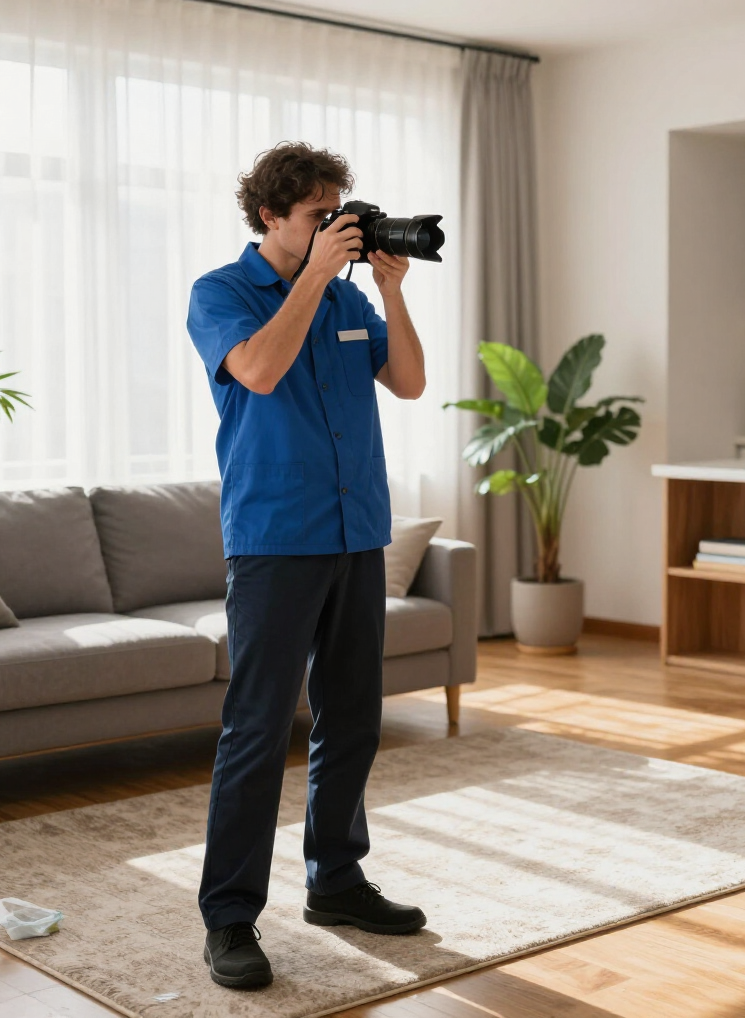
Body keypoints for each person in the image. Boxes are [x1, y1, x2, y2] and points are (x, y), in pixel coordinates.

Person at [186, 141, 427, 991]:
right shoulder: (221, 293)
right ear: (269, 217)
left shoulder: (350, 297)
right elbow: (255, 368)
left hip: (357, 530)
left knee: (354, 716)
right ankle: (229, 918)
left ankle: (337, 882)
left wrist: (391, 293)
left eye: (339, 212)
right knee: (257, 731)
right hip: (274, 538)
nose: (334, 227)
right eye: (316, 215)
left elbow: (408, 382)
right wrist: (316, 280)